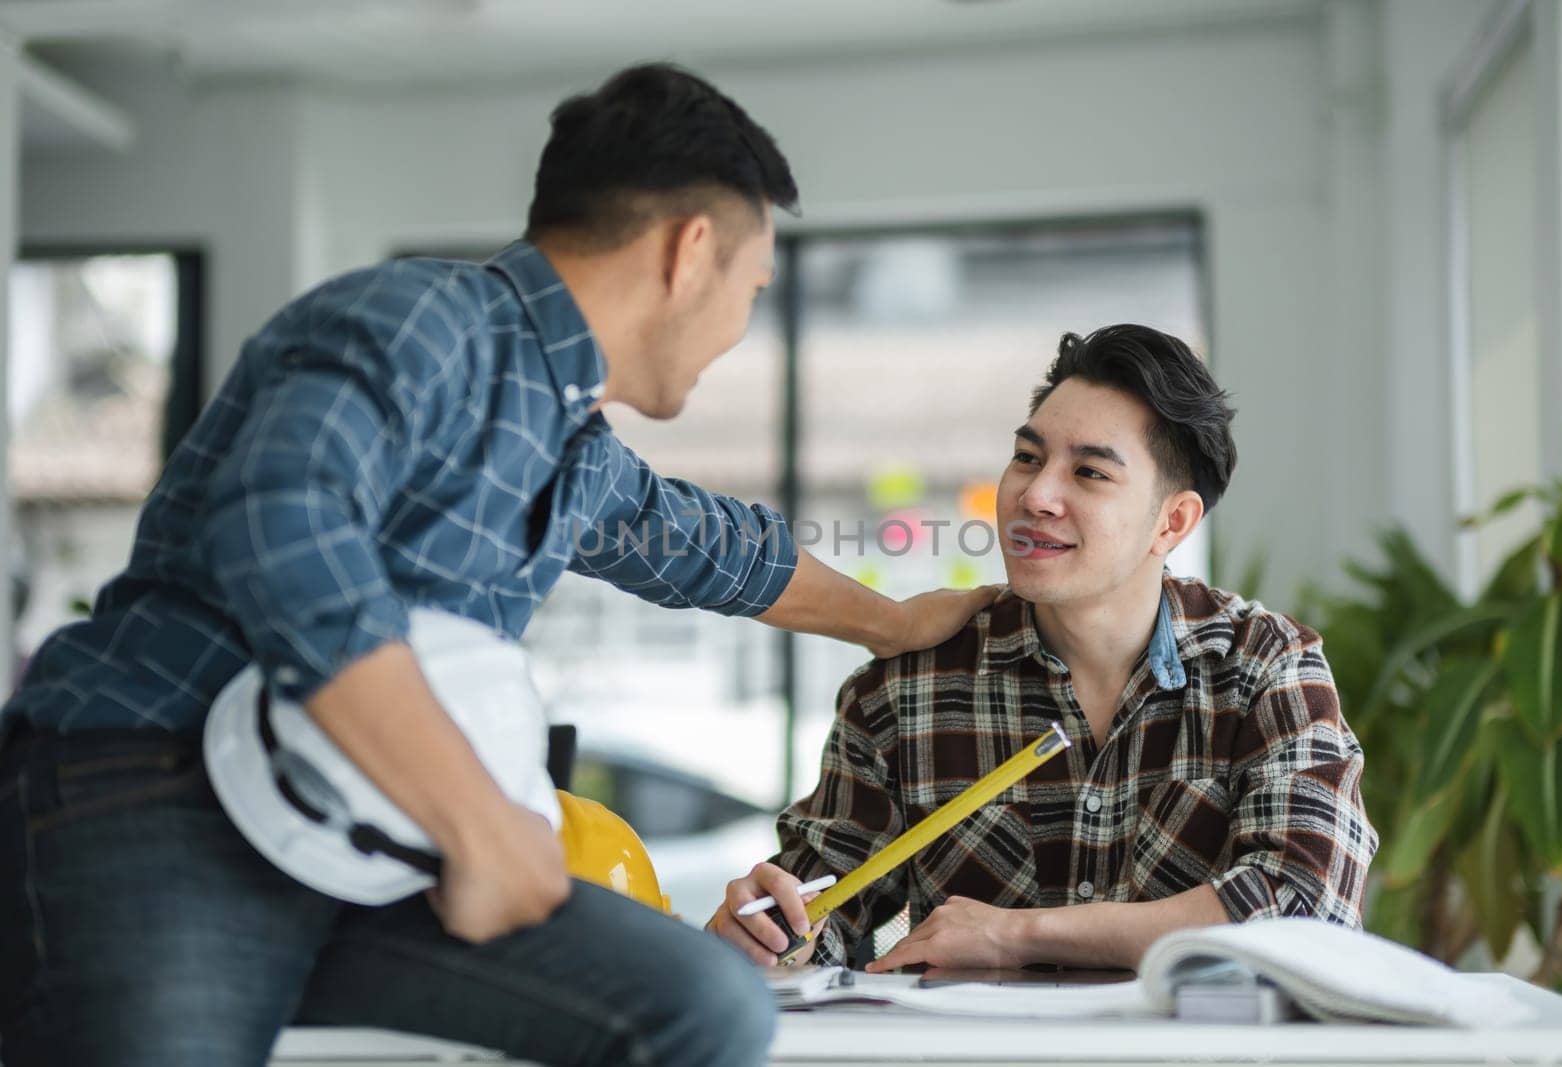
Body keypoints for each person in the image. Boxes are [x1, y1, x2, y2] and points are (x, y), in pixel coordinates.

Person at [0, 63, 995, 1067]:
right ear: (690, 253)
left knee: (699, 1004)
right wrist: (474, 817)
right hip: (158, 797)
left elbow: (706, 548)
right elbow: (286, 531)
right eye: (753, 290)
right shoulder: (418, 318)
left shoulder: (568, 438)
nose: (739, 327)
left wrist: (898, 623)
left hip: (365, 847)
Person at [709, 324, 1379, 973]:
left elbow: (1306, 908)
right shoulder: (903, 689)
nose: (1035, 494)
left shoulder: (1265, 667)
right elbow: (813, 928)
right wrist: (769, 936)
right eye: (1027, 458)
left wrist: (1017, 935)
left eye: (1088, 472)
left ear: (1172, 522)